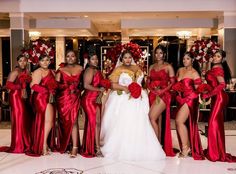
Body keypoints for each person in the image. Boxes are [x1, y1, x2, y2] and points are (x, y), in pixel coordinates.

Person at [100, 49, 166, 161]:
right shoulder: (118, 69)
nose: (127, 59)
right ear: (121, 59)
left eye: (129, 57)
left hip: (140, 100)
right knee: (126, 123)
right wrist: (125, 88)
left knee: (141, 123)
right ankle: (124, 148)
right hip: (125, 99)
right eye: (125, 57)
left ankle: (142, 147)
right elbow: (112, 85)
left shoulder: (137, 68)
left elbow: (143, 83)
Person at [202, 50, 236, 162]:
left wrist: (209, 94)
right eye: (214, 56)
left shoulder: (218, 68)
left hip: (220, 97)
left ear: (222, 59)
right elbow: (205, 74)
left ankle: (215, 153)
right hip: (216, 97)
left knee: (212, 122)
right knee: (216, 124)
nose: (215, 58)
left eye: (218, 56)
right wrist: (208, 63)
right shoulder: (214, 67)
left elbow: (222, 84)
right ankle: (217, 150)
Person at [174, 52, 204, 159]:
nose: (184, 60)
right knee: (182, 123)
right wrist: (177, 94)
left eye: (187, 59)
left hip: (190, 100)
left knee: (179, 121)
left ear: (192, 60)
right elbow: (177, 85)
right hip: (180, 100)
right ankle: (187, 147)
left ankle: (185, 149)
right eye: (183, 59)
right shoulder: (180, 70)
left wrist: (187, 98)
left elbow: (198, 91)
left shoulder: (194, 73)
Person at [147, 45, 175, 156]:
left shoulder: (168, 67)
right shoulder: (152, 66)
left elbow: (172, 83)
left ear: (164, 54)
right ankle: (159, 145)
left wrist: (161, 91)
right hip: (153, 94)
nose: (158, 55)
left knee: (151, 117)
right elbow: (148, 82)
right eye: (156, 53)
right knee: (157, 120)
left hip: (164, 95)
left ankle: (156, 145)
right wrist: (152, 90)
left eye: (161, 53)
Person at [0, 55, 31, 153]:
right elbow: (8, 85)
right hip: (15, 96)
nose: (22, 63)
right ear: (17, 62)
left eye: (24, 61)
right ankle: (18, 144)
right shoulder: (15, 72)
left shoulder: (25, 72)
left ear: (27, 62)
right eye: (20, 61)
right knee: (18, 119)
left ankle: (23, 142)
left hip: (22, 96)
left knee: (23, 119)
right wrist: (20, 86)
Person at [55, 50, 83, 158]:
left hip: (75, 97)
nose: (70, 58)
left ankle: (75, 147)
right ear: (65, 58)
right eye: (68, 56)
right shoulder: (61, 70)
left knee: (74, 121)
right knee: (64, 122)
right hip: (63, 99)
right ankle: (66, 144)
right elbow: (55, 86)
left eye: (72, 56)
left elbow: (83, 83)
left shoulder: (81, 68)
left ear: (76, 57)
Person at [30, 54, 57, 156]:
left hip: (50, 97)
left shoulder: (52, 72)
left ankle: (43, 143)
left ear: (50, 61)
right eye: (42, 60)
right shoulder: (38, 71)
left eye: (47, 60)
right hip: (41, 98)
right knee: (48, 121)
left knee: (48, 121)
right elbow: (33, 86)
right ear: (39, 62)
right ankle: (43, 144)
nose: (45, 62)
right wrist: (47, 90)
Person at [81, 53, 104, 157]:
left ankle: (96, 145)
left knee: (98, 122)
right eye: (93, 59)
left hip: (97, 99)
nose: (95, 61)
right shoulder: (89, 70)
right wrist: (99, 89)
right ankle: (94, 148)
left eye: (97, 59)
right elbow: (86, 85)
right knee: (93, 122)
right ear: (89, 61)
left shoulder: (97, 70)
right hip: (89, 99)